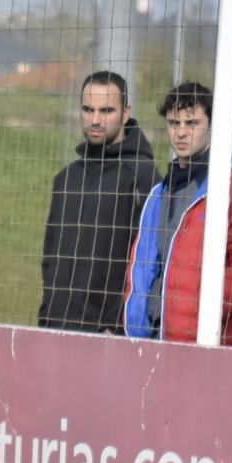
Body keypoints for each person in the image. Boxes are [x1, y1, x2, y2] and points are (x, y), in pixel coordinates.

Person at [123, 81, 232, 345]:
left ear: (212, 126)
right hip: (152, 338)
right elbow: (145, 266)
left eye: (192, 123)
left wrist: (208, 306)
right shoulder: (160, 192)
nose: (181, 133)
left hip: (205, 340)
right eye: (173, 123)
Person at [39, 70, 158, 333]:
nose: (94, 120)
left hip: (109, 334)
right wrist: (47, 314)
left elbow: (151, 262)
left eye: (106, 111)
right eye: (87, 109)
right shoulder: (66, 178)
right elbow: (50, 257)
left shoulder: (143, 177)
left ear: (126, 113)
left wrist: (116, 326)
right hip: (56, 327)